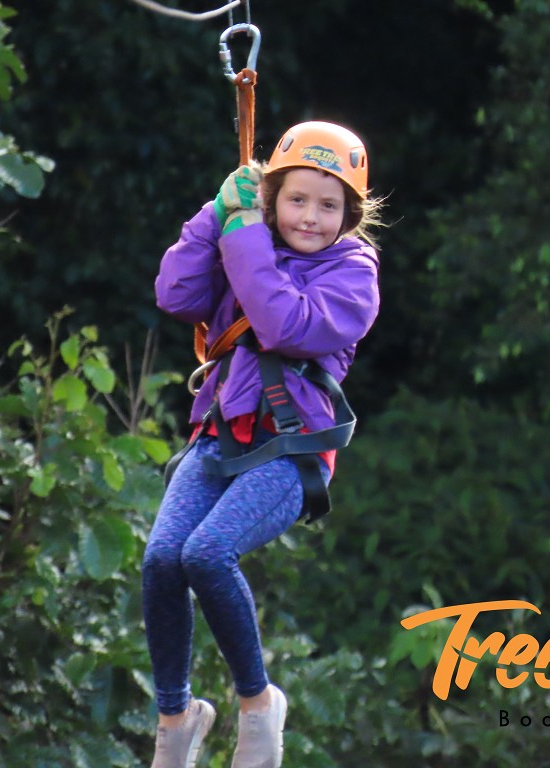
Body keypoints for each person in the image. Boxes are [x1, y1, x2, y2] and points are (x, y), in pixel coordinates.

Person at [142, 121, 382, 768]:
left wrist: (245, 233)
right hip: (221, 435)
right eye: (296, 199)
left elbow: (282, 325)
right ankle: (176, 718)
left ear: (349, 215)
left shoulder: (353, 273)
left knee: (207, 554)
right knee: (162, 560)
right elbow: (176, 294)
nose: (309, 217)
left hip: (290, 450)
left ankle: (257, 703)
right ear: (273, 198)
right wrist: (217, 213)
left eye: (328, 205)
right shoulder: (246, 238)